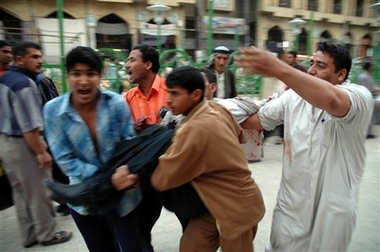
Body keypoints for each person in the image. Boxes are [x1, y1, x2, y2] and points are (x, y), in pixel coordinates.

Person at [236, 42, 374, 251]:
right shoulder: (293, 97)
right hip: (290, 207)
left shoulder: (359, 97)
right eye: (312, 63)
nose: (311, 70)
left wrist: (280, 69)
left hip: (331, 212)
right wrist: (209, 111)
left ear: (341, 74)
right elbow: (257, 119)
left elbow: (333, 101)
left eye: (321, 65)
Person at [119, 65, 265, 251]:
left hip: (235, 207)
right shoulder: (215, 108)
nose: (168, 100)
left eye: (175, 94)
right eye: (168, 93)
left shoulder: (193, 128)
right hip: (212, 206)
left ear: (195, 94)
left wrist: (135, 171)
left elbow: (163, 179)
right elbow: (240, 136)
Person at [43, 46, 142, 252]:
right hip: (84, 198)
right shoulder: (53, 110)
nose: (84, 81)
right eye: (76, 74)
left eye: (91, 73)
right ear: (68, 76)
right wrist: (109, 180)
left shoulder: (116, 104)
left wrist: (125, 175)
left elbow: (130, 145)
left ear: (100, 76)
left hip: (123, 197)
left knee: (132, 247)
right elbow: (65, 160)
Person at [0, 41, 72, 248]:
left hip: (6, 143)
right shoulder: (24, 84)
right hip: (24, 144)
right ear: (19, 59)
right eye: (34, 57)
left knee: (21, 192)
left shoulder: (5, 79)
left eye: (40, 56)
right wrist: (41, 152)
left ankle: (30, 234)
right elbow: (29, 125)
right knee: (39, 191)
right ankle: (48, 233)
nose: (39, 60)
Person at [123, 43, 168, 250]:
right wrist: (133, 128)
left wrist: (158, 130)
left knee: (191, 217)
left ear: (148, 64)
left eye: (132, 60)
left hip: (175, 167)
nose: (126, 65)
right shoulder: (128, 97)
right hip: (146, 172)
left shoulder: (172, 89)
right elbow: (122, 133)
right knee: (141, 226)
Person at [357, 61, 379, 138]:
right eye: (371, 66)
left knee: (371, 115)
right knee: (366, 115)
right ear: (369, 67)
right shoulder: (363, 77)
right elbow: (364, 88)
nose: (373, 68)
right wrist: (372, 90)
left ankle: (369, 132)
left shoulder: (369, 77)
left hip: (371, 97)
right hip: (366, 98)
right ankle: (365, 132)